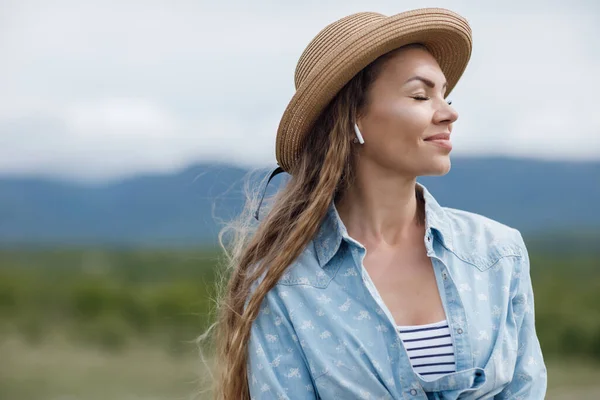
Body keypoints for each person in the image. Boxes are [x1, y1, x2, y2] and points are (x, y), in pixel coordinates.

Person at [208, 7, 547, 400]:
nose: (450, 113)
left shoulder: (498, 253)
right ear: (353, 117)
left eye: (446, 96)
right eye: (421, 95)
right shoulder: (283, 284)